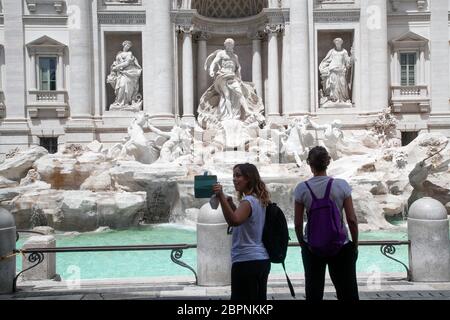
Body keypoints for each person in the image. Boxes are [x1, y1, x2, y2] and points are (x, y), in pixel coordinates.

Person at [294, 146, 359, 300]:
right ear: (328, 163)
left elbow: (297, 223)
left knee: (314, 292)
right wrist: (354, 244)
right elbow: (352, 219)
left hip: (313, 247)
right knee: (347, 292)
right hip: (341, 246)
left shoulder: (302, 188)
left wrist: (303, 244)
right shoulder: (341, 185)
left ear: (309, 164)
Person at [212, 163, 271, 300]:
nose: (234, 179)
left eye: (238, 175)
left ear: (248, 178)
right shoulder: (258, 199)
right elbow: (246, 222)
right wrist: (231, 205)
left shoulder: (248, 201)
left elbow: (234, 221)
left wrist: (220, 197)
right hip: (260, 259)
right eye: (233, 175)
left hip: (247, 261)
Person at [198, 38, 264, 127]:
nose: (229, 46)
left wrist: (239, 76)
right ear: (225, 45)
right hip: (222, 75)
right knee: (226, 95)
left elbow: (238, 66)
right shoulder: (221, 53)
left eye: (231, 45)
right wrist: (211, 70)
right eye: (228, 45)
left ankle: (247, 110)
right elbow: (214, 62)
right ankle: (229, 115)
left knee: (239, 93)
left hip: (232, 76)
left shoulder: (234, 56)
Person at [107, 40, 142, 110]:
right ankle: (119, 102)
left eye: (129, 46)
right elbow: (116, 62)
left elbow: (127, 63)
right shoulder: (119, 54)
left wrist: (117, 67)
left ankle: (126, 102)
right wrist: (114, 67)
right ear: (124, 45)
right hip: (120, 73)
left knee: (125, 86)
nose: (128, 47)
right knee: (121, 86)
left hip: (128, 73)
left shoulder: (129, 53)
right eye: (127, 45)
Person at [319, 38, 354, 106]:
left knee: (342, 84)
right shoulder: (332, 51)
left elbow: (347, 61)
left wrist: (352, 56)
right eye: (336, 42)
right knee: (334, 86)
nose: (337, 43)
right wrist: (324, 68)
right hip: (333, 70)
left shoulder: (344, 51)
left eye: (338, 42)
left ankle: (343, 99)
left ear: (341, 43)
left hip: (341, 70)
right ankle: (334, 99)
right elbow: (326, 60)